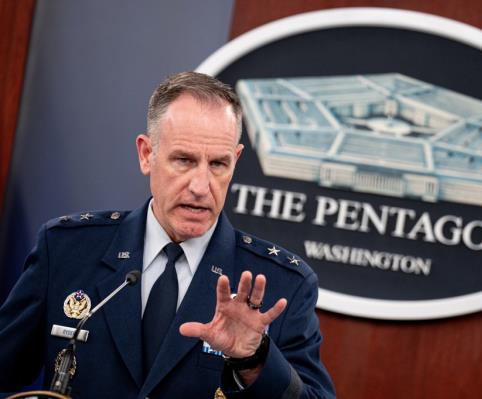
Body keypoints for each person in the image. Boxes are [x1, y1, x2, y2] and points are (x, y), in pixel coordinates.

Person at [0, 72, 335, 398]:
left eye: (218, 164)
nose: (201, 187)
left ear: (236, 160)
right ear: (147, 154)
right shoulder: (66, 250)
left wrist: (254, 359)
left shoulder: (283, 285)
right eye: (184, 160)